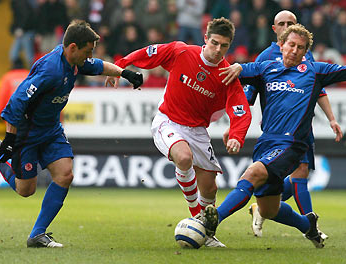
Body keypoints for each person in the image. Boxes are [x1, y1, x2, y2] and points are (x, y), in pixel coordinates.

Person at [203, 23, 346, 248]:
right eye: (291, 45)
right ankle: (308, 226)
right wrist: (236, 67)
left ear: (306, 51)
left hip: (292, 144)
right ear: (281, 45)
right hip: (267, 143)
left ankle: (211, 221)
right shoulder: (265, 68)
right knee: (269, 209)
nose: (295, 50)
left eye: (301, 47)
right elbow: (225, 72)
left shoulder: (314, 71)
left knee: (253, 173)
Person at [0, 20, 143, 248]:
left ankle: (37, 235)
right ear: (73, 47)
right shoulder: (50, 70)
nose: (89, 56)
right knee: (27, 190)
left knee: (65, 174)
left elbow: (98, 66)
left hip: (51, 129)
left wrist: (125, 73)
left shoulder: (74, 59)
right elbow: (16, 102)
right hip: (27, 133)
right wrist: (10, 141)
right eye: (87, 51)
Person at [105, 17, 252, 247]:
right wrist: (120, 67)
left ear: (229, 45)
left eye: (224, 46)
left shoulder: (227, 74)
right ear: (205, 38)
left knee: (210, 187)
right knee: (183, 157)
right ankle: (197, 219)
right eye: (214, 43)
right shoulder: (181, 52)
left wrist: (236, 135)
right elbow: (149, 53)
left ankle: (206, 232)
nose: (217, 50)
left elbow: (240, 109)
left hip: (198, 131)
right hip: (168, 121)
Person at [242, 10, 342, 239]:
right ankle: (310, 225)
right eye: (282, 23)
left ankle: (264, 208)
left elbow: (320, 89)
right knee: (299, 173)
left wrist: (332, 118)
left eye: (291, 23)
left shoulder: (306, 55)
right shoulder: (265, 57)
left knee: (300, 173)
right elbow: (249, 94)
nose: (286, 26)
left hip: (303, 125)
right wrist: (236, 125)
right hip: (279, 130)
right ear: (274, 28)